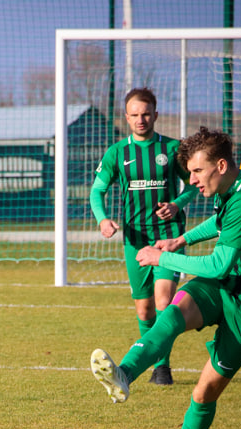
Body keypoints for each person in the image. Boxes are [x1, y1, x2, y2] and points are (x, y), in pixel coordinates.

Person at [89, 127, 241, 429]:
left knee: (204, 393)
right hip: (221, 287)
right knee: (172, 314)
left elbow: (219, 265)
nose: (191, 180)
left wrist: (165, 254)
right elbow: (220, 224)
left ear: (221, 165)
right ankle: (124, 376)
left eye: (197, 172)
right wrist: (182, 237)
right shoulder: (231, 186)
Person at [90, 87, 198, 386]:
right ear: (127, 117)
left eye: (146, 114)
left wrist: (177, 204)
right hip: (135, 241)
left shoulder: (172, 149)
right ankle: (154, 361)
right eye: (135, 115)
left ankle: (162, 368)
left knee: (163, 300)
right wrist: (103, 220)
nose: (141, 120)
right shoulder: (117, 153)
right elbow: (97, 191)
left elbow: (193, 185)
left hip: (169, 237)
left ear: (156, 115)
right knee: (144, 308)